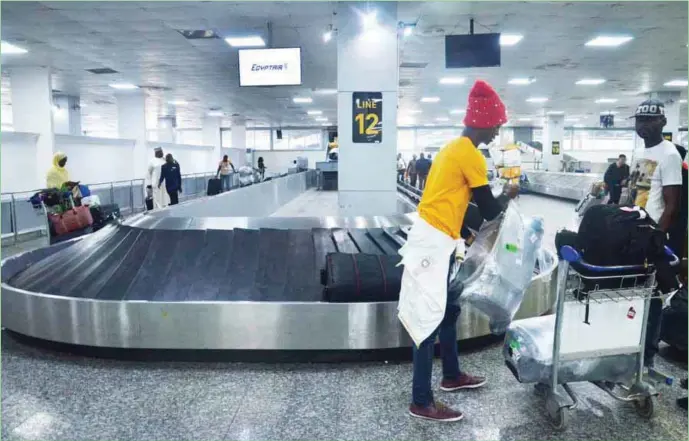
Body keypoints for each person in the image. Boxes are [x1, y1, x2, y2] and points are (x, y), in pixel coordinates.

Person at [398, 80, 519, 422]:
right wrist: (509, 193)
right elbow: (490, 210)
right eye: (497, 124)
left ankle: (451, 376)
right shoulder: (469, 153)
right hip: (431, 245)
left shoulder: (455, 149)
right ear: (482, 121)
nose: (498, 130)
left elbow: (468, 208)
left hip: (443, 240)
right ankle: (421, 400)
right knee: (427, 318)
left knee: (448, 310)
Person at [630, 99, 683, 368]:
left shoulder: (670, 154)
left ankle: (647, 356)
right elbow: (633, 192)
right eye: (639, 120)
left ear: (662, 122)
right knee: (631, 292)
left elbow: (672, 204)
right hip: (632, 230)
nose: (643, 125)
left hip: (651, 234)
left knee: (650, 297)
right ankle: (630, 346)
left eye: (649, 120)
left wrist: (657, 235)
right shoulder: (639, 152)